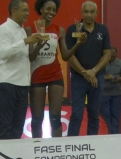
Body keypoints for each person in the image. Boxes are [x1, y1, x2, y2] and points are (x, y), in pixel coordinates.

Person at [28, 0, 86, 138]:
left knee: (55, 118)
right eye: (48, 9)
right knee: (37, 120)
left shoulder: (59, 30)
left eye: (54, 10)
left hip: (55, 75)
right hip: (37, 76)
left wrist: (78, 44)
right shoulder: (30, 29)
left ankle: (56, 153)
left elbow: (65, 56)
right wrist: (38, 45)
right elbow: (31, 57)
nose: (51, 12)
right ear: (41, 9)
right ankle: (37, 149)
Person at [0, 0, 42, 139]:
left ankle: (13, 158)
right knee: (5, 125)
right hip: (7, 82)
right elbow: (3, 53)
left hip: (22, 84)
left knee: (18, 126)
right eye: (24, 10)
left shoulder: (22, 30)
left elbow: (26, 57)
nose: (27, 13)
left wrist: (38, 45)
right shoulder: (4, 28)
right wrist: (24, 42)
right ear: (14, 11)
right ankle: (0, 158)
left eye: (28, 10)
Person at [65, 1, 111, 136]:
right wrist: (86, 73)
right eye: (86, 12)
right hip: (79, 78)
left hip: (98, 77)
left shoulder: (103, 30)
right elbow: (70, 56)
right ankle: (72, 144)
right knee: (77, 114)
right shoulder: (73, 29)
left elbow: (107, 54)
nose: (89, 14)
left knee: (94, 114)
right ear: (81, 13)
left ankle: (92, 144)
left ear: (96, 14)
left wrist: (94, 71)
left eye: (92, 12)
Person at [100, 47, 121, 134]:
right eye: (111, 55)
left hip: (116, 93)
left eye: (114, 55)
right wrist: (107, 77)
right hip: (104, 93)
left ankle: (115, 134)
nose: (112, 57)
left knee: (115, 115)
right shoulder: (102, 62)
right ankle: (106, 133)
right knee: (105, 115)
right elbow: (97, 76)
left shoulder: (120, 62)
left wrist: (119, 78)